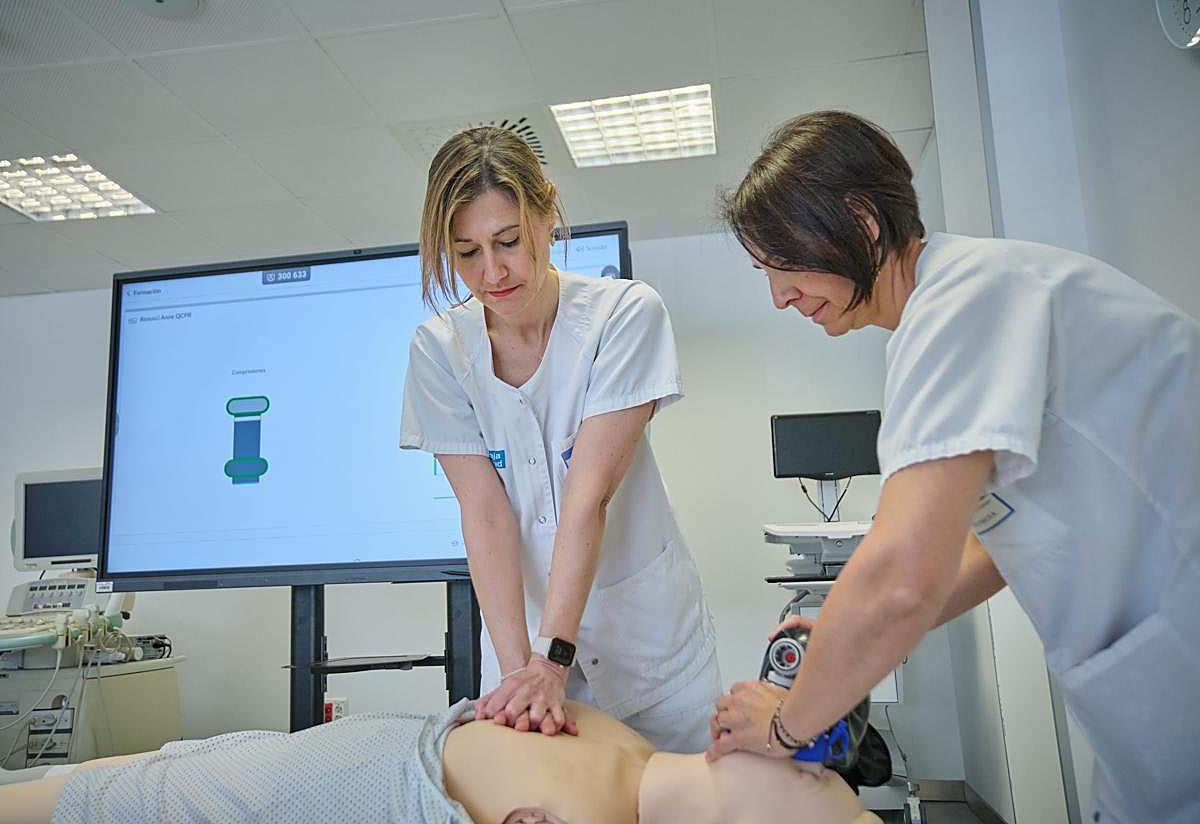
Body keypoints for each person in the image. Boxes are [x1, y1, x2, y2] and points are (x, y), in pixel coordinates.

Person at [705, 110, 1200, 824]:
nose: (778, 295)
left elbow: (902, 575)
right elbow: (989, 543)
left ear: (862, 223)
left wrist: (785, 727)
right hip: (1155, 710)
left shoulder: (965, 300)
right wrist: (841, 637)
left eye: (781, 263)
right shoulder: (961, 304)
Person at [399, 126, 719, 752]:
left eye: (509, 241)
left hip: (651, 656)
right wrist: (520, 675)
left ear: (547, 212)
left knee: (679, 795)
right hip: (522, 646)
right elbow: (484, 513)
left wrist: (552, 660)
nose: (492, 272)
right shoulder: (439, 352)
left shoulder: (623, 316)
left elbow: (588, 495)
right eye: (466, 252)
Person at [0, 698, 881, 824]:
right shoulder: (618, 778)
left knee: (178, 773)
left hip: (387, 753)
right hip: (376, 770)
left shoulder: (621, 740)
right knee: (152, 794)